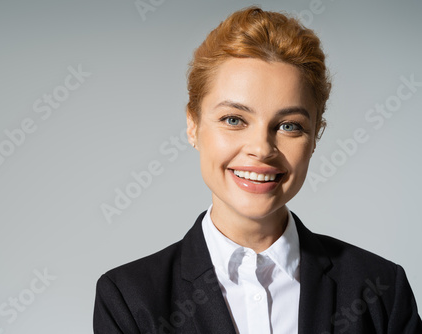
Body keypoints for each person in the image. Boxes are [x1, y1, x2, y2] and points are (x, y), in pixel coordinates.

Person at [93, 6, 422, 334]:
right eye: (233, 120)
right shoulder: (130, 299)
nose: (262, 149)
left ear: (315, 135)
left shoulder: (381, 290)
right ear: (193, 125)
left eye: (289, 125)